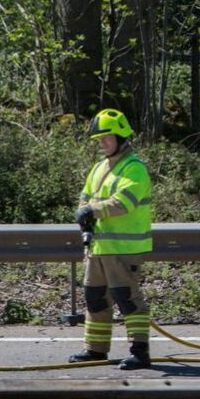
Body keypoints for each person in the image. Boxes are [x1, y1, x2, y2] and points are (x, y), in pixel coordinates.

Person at [69, 108, 153, 370]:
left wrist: (92, 210)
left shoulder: (134, 168)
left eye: (106, 138)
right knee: (95, 298)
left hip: (123, 248)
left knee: (126, 297)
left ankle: (140, 351)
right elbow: (86, 196)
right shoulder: (99, 168)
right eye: (99, 139)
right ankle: (95, 350)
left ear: (121, 137)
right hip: (98, 248)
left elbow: (123, 202)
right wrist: (85, 211)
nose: (102, 143)